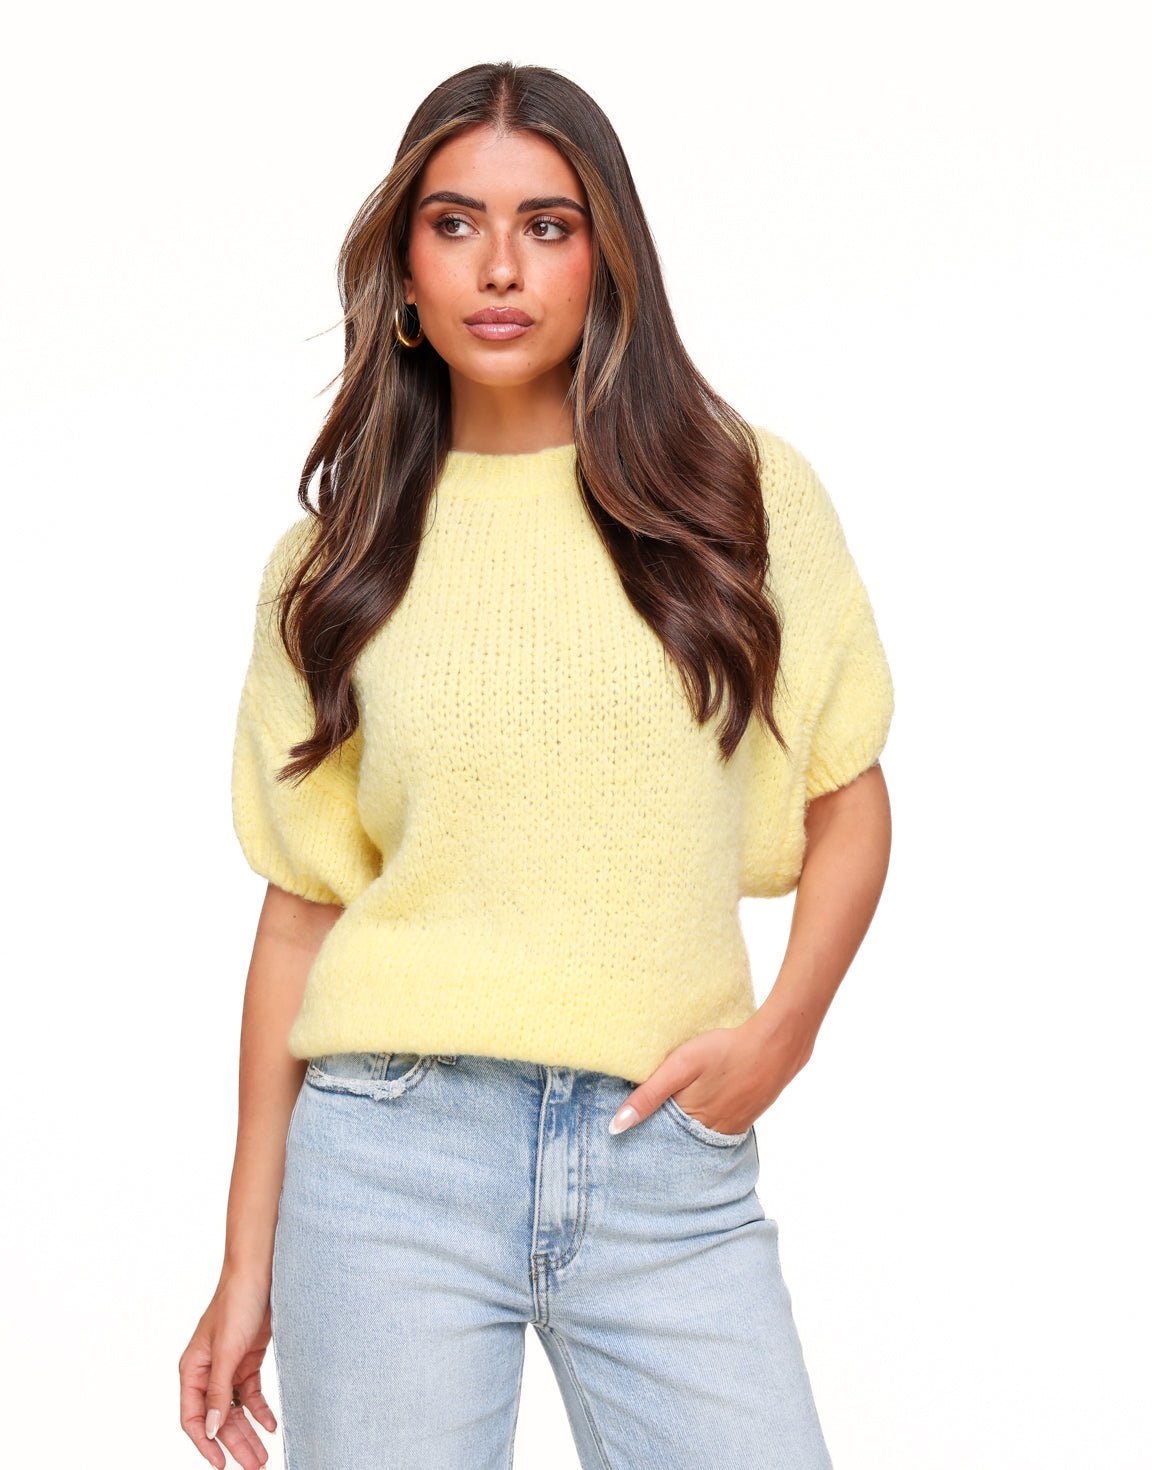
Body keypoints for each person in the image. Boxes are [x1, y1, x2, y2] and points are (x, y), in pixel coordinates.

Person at [178, 59, 895, 1470]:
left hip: (663, 1166)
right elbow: (300, 913)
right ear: (403, 268)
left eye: (547, 225)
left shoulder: (738, 496)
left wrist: (785, 1032)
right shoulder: (334, 562)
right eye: (454, 224)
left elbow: (848, 794)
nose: (498, 267)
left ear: (606, 254)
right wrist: (244, 1259)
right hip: (388, 1164)